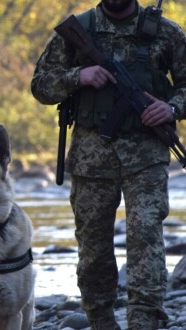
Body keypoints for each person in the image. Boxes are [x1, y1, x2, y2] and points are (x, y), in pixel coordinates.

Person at [31, 0, 186, 329]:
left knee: (146, 237)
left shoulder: (166, 32)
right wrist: (79, 76)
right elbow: (41, 86)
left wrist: (172, 108)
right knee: (93, 247)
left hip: (147, 156)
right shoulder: (79, 30)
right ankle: (101, 320)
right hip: (91, 157)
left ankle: (144, 321)